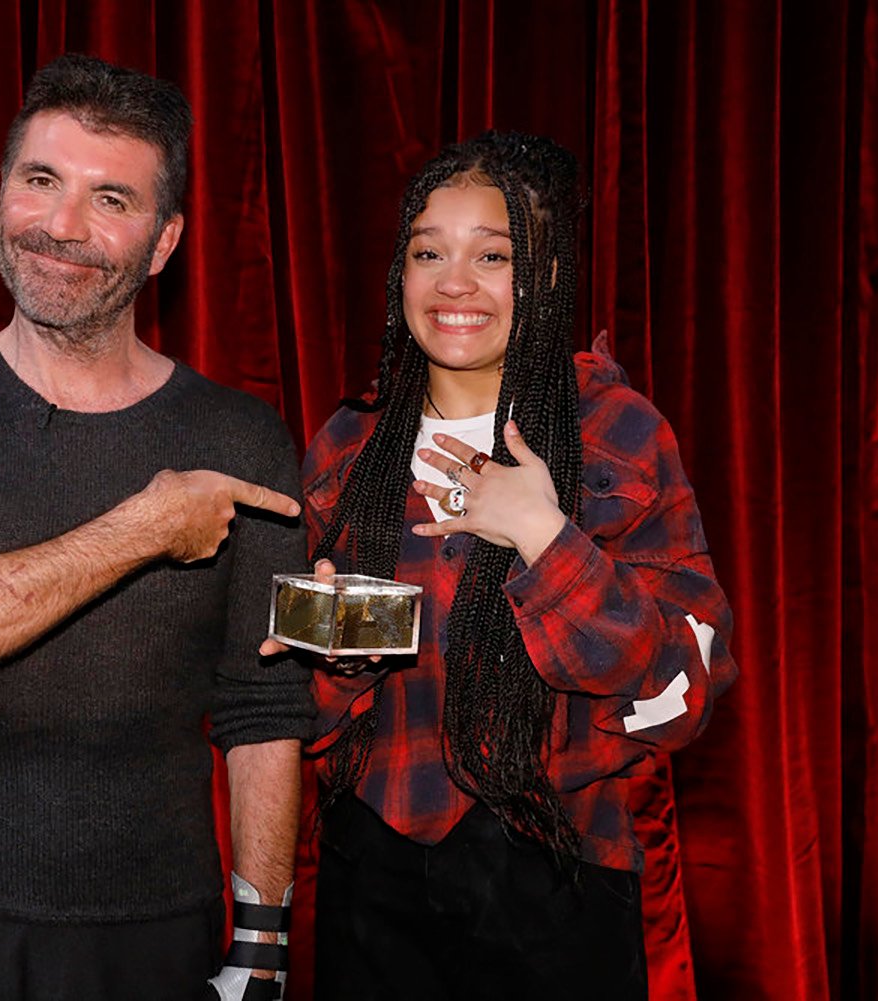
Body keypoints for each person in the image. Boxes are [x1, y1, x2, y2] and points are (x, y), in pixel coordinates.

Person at [0, 54, 312, 1001]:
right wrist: (145, 525)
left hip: (156, 924)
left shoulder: (239, 437)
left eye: (111, 198)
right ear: (0, 194)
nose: (61, 225)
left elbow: (263, 707)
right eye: (41, 180)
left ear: (164, 241)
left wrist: (262, 941)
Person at [272, 132, 739, 999]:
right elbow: (286, 710)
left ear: (547, 275)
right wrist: (334, 661)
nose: (455, 282)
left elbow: (685, 692)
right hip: (371, 882)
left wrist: (544, 537)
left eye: (493, 255)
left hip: (560, 879)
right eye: (429, 253)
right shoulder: (347, 447)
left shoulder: (617, 431)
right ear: (400, 275)